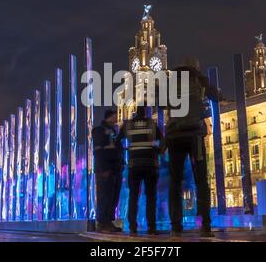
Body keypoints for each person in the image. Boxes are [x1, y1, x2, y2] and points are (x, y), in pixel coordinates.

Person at [166, 56, 219, 238]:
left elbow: (160, 102)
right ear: (194, 68)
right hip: (194, 135)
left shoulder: (171, 82)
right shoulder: (199, 81)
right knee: (201, 180)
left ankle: (175, 227)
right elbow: (216, 96)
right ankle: (205, 225)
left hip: (174, 136)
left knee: (175, 181)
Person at [116, 106, 165, 235]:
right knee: (151, 197)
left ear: (135, 112)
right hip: (150, 164)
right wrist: (158, 152)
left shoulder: (128, 125)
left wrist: (124, 152)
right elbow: (163, 141)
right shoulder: (152, 124)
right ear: (145, 112)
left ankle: (132, 227)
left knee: (133, 196)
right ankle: (151, 227)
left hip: (134, 165)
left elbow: (117, 141)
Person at [92, 109, 123, 233]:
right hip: (105, 170)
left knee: (112, 197)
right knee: (104, 196)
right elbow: (98, 152)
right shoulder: (100, 130)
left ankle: (108, 222)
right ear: (110, 117)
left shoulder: (114, 132)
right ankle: (102, 223)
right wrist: (103, 169)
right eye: (116, 116)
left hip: (115, 169)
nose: (117, 119)